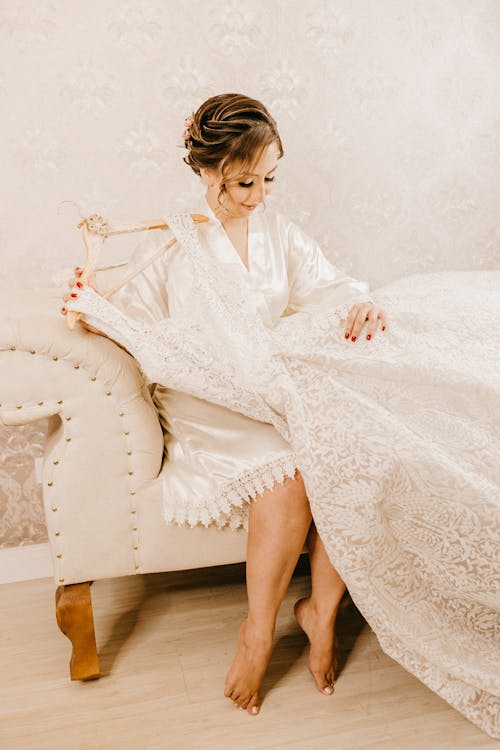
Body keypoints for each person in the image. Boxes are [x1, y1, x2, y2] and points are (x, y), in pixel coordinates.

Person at [61, 93, 500, 737]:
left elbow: (331, 287)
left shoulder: (278, 232)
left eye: (269, 178)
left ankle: (320, 611)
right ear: (207, 172)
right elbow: (120, 313)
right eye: (244, 182)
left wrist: (361, 306)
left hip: (274, 382)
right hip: (211, 399)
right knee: (292, 473)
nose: (258, 196)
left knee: (361, 442)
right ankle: (256, 632)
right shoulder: (169, 245)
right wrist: (90, 298)